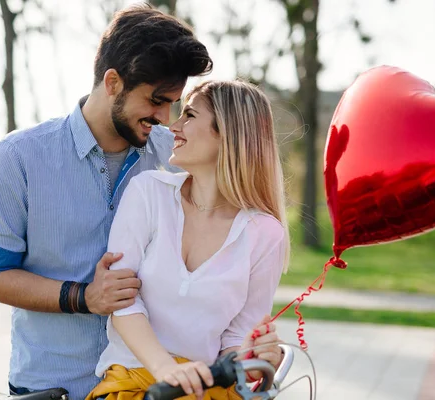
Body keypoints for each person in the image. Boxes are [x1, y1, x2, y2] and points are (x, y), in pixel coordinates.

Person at [0, 4, 213, 399]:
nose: (166, 117)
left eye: (173, 103)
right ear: (113, 82)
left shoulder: (177, 159)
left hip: (149, 388)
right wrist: (84, 297)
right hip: (54, 386)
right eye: (156, 100)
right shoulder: (18, 157)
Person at [86, 80, 290, 400]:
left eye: (190, 116)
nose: (173, 125)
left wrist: (256, 358)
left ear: (228, 133)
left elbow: (236, 340)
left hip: (207, 390)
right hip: (135, 382)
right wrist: (167, 370)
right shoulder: (148, 192)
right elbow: (121, 300)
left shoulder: (266, 234)